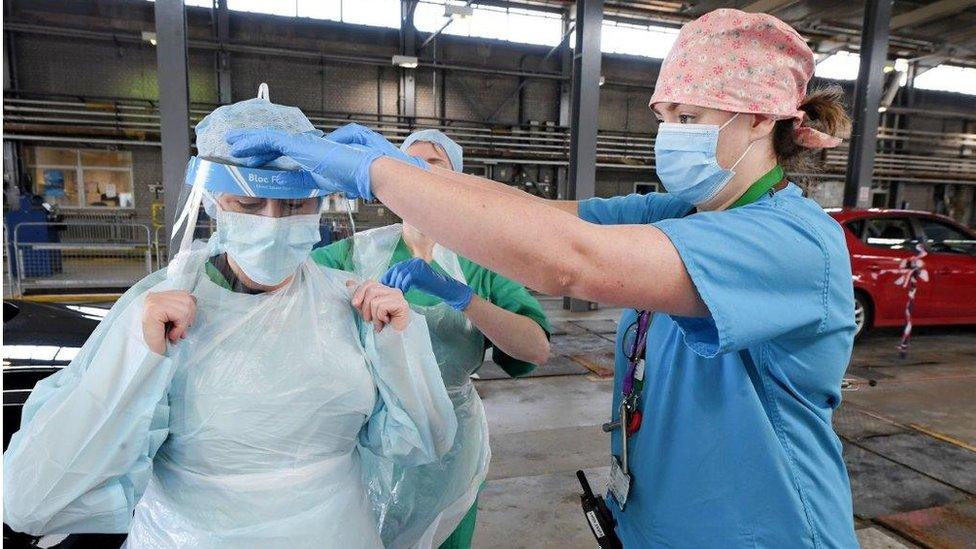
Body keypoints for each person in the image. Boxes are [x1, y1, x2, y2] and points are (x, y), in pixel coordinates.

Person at [227, 8, 859, 547]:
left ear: (757, 120)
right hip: (659, 519)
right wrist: (408, 169)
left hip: (757, 528)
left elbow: (568, 260)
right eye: (665, 115)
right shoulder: (682, 213)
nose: (669, 134)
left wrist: (375, 177)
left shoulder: (792, 243)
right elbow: (539, 217)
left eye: (689, 118)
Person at [3, 91, 459, 548]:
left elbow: (424, 443)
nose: (274, 221)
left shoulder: (353, 303)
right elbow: (35, 500)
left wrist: (400, 343)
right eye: (249, 204)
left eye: (296, 204)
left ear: (320, 204)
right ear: (214, 203)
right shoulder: (160, 308)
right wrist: (133, 356)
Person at [312, 128, 551, 549]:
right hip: (374, 437)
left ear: (456, 180)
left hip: (451, 447)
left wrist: (463, 297)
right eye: (406, 164)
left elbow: (534, 348)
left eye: (433, 165)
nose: (417, 173)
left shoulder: (482, 263)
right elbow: (283, 283)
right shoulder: (354, 254)